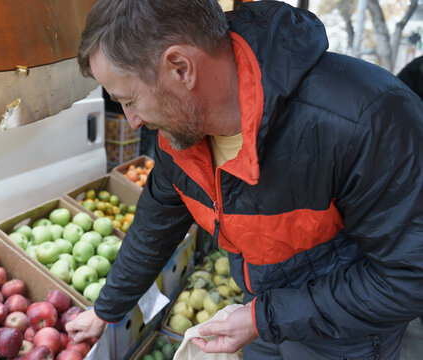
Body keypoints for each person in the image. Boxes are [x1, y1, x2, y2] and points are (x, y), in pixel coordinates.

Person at [66, 1, 423, 359]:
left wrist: (262, 318)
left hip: (346, 338)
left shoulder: (368, 119)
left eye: (129, 101)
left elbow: (411, 277)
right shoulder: (181, 137)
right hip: (259, 317)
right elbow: (155, 224)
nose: (132, 122)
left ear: (180, 68)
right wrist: (106, 309)